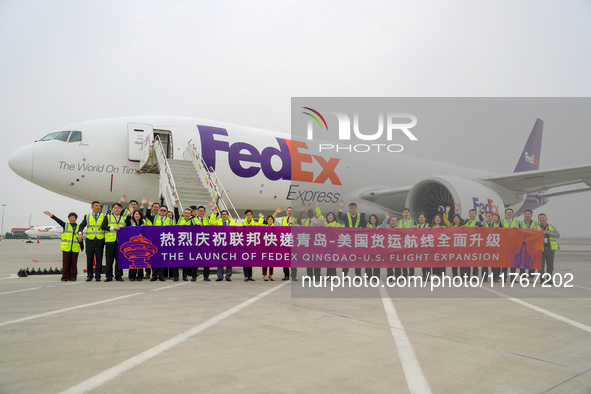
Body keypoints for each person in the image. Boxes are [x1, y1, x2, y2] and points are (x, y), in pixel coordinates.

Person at [44, 211, 83, 281]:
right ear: (68, 218)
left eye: (73, 218)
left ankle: (73, 277)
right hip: (66, 247)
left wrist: (82, 246)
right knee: (66, 264)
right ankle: (65, 277)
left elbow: (80, 237)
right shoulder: (65, 225)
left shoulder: (79, 227)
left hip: (75, 248)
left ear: (76, 219)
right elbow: (58, 221)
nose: (72, 219)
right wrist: (52, 216)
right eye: (70, 217)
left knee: (74, 264)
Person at [78, 201, 106, 282]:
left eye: (99, 206)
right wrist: (80, 233)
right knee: (89, 258)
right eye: (96, 206)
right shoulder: (87, 216)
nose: (98, 207)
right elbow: (81, 225)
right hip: (90, 240)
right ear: (92, 207)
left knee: (99, 259)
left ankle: (98, 275)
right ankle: (89, 275)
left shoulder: (104, 216)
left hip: (100, 240)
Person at [338, 200, 367, 277]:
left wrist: (364, 211)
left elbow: (364, 224)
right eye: (350, 208)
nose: (352, 209)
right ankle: (345, 276)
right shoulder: (346, 215)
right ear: (349, 209)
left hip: (357, 240)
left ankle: (358, 276)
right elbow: (339, 217)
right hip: (348, 240)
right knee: (346, 258)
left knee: (357, 258)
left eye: (353, 208)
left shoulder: (359, 216)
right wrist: (341, 207)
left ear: (356, 208)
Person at [100, 203, 126, 282]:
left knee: (119, 260)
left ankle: (118, 276)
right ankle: (109, 276)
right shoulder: (108, 217)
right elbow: (103, 226)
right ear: (112, 209)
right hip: (110, 241)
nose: (117, 209)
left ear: (121, 210)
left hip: (120, 242)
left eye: (118, 208)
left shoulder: (124, 219)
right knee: (109, 260)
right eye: (115, 208)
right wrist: (113, 228)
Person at [193, 202, 218, 281]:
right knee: (195, 261)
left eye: (202, 211)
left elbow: (214, 217)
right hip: (196, 243)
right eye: (199, 211)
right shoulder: (193, 219)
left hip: (206, 242)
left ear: (205, 212)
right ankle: (194, 276)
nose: (201, 212)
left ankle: (206, 276)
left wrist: (212, 208)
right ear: (197, 212)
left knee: (206, 260)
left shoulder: (207, 218)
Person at [125, 209, 152, 281]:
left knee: (140, 259)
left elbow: (150, 230)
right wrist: (130, 213)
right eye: (135, 214)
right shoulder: (131, 222)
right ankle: (132, 275)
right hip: (132, 244)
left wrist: (144, 228)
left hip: (141, 244)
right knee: (133, 259)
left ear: (140, 215)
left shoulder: (143, 222)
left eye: (138, 214)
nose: (137, 215)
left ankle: (140, 275)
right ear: (133, 215)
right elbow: (126, 222)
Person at [150, 204, 174, 281]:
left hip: (165, 241)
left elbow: (174, 231)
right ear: (159, 211)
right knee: (154, 259)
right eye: (161, 210)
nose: (162, 211)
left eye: (164, 210)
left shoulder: (171, 220)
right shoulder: (155, 218)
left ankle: (161, 275)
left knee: (162, 259)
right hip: (156, 241)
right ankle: (154, 275)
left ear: (166, 212)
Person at [274, 206, 297, 281]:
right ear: (286, 212)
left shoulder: (295, 220)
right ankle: (286, 275)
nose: (289, 212)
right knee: (285, 260)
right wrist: (277, 212)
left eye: (291, 211)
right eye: (288, 211)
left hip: (293, 243)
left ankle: (294, 276)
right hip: (284, 242)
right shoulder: (282, 219)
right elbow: (273, 219)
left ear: (293, 212)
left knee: (293, 260)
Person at [239, 209, 262, 281]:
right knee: (245, 260)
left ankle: (250, 276)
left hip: (251, 244)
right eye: (247, 215)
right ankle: (246, 276)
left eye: (250, 215)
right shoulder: (242, 223)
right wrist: (242, 228)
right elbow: (238, 230)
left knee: (250, 260)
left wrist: (261, 218)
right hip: (244, 244)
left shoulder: (254, 223)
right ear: (245, 216)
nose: (249, 216)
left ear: (252, 215)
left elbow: (260, 226)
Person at [213, 210, 236, 281]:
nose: (224, 216)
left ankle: (228, 276)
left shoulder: (232, 222)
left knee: (229, 261)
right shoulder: (217, 222)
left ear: (228, 215)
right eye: (223, 214)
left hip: (229, 244)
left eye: (225, 214)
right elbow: (211, 226)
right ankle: (220, 276)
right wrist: (214, 213)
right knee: (220, 261)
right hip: (220, 243)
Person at [175, 203, 196, 281]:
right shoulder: (179, 218)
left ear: (190, 214)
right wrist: (176, 205)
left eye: (188, 213)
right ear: (183, 213)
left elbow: (197, 228)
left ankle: (185, 276)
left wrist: (199, 225)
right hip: (178, 243)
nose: (186, 214)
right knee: (176, 261)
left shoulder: (193, 220)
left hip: (188, 244)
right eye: (185, 213)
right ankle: (176, 276)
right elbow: (176, 213)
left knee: (186, 261)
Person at [519, 209, 540, 281]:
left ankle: (531, 277)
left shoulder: (536, 223)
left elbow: (539, 232)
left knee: (532, 261)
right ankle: (523, 277)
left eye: (529, 214)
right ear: (524, 215)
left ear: (531, 215)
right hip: (523, 245)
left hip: (532, 245)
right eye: (526, 214)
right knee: (522, 261)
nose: (527, 215)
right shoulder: (520, 223)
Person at [538, 213, 559, 279]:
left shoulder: (552, 227)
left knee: (550, 265)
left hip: (550, 249)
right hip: (540, 249)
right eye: (540, 218)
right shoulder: (536, 227)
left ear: (546, 219)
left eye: (543, 217)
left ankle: (549, 279)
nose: (542, 219)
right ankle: (542, 278)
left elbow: (557, 235)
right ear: (538, 220)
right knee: (541, 266)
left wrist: (549, 233)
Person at [500, 208, 520, 279]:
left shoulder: (517, 222)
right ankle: (504, 277)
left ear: (513, 214)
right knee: (504, 262)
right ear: (505, 214)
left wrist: (518, 228)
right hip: (504, 245)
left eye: (510, 212)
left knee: (513, 262)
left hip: (514, 245)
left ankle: (513, 278)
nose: (509, 214)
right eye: (507, 212)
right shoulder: (501, 222)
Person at [397, 208, 416, 279]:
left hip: (410, 243)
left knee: (410, 260)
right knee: (403, 259)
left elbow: (417, 232)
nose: (405, 213)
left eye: (407, 212)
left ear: (409, 213)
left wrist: (415, 228)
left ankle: (411, 275)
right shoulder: (399, 222)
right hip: (401, 243)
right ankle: (405, 274)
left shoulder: (413, 221)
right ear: (402, 214)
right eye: (404, 212)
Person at [462, 209, 481, 280]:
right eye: (471, 213)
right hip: (466, 244)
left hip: (474, 244)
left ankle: (475, 277)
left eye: (473, 213)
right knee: (467, 262)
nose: (472, 214)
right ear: (469, 214)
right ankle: (467, 276)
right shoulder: (465, 221)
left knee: (474, 262)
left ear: (475, 215)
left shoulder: (478, 223)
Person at [481, 211, 498, 282]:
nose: (488, 217)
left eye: (490, 216)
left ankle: (495, 278)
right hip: (485, 246)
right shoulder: (482, 224)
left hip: (494, 246)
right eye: (487, 216)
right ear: (485, 217)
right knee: (485, 263)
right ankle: (484, 278)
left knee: (494, 263)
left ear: (492, 217)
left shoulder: (497, 225)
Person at [382, 213, 399, 279]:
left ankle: (397, 276)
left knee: (397, 264)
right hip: (389, 250)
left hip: (397, 249)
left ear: (397, 222)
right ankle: (390, 276)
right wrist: (386, 218)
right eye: (392, 221)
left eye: (394, 221)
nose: (393, 222)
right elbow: (383, 226)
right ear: (390, 222)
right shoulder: (387, 228)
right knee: (389, 264)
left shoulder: (399, 229)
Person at [417, 213, 432, 281]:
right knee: (422, 262)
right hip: (420, 247)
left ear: (425, 218)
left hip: (427, 246)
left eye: (422, 217)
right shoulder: (417, 226)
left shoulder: (428, 225)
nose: (421, 218)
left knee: (428, 262)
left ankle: (428, 275)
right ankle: (424, 275)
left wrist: (430, 229)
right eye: (420, 217)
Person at [430, 213, 446, 277]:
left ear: (441, 220)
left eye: (438, 218)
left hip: (442, 246)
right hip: (434, 247)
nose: (437, 219)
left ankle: (441, 275)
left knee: (441, 261)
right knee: (435, 260)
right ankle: (436, 274)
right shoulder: (431, 227)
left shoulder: (444, 227)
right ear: (434, 220)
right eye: (436, 218)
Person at [262, 215, 276, 281]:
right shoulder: (264, 227)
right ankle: (264, 275)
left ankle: (270, 274)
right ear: (266, 220)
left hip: (272, 246)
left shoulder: (275, 227)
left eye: (271, 219)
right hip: (265, 246)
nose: (270, 220)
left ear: (273, 220)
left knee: (271, 261)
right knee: (265, 261)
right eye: (268, 219)